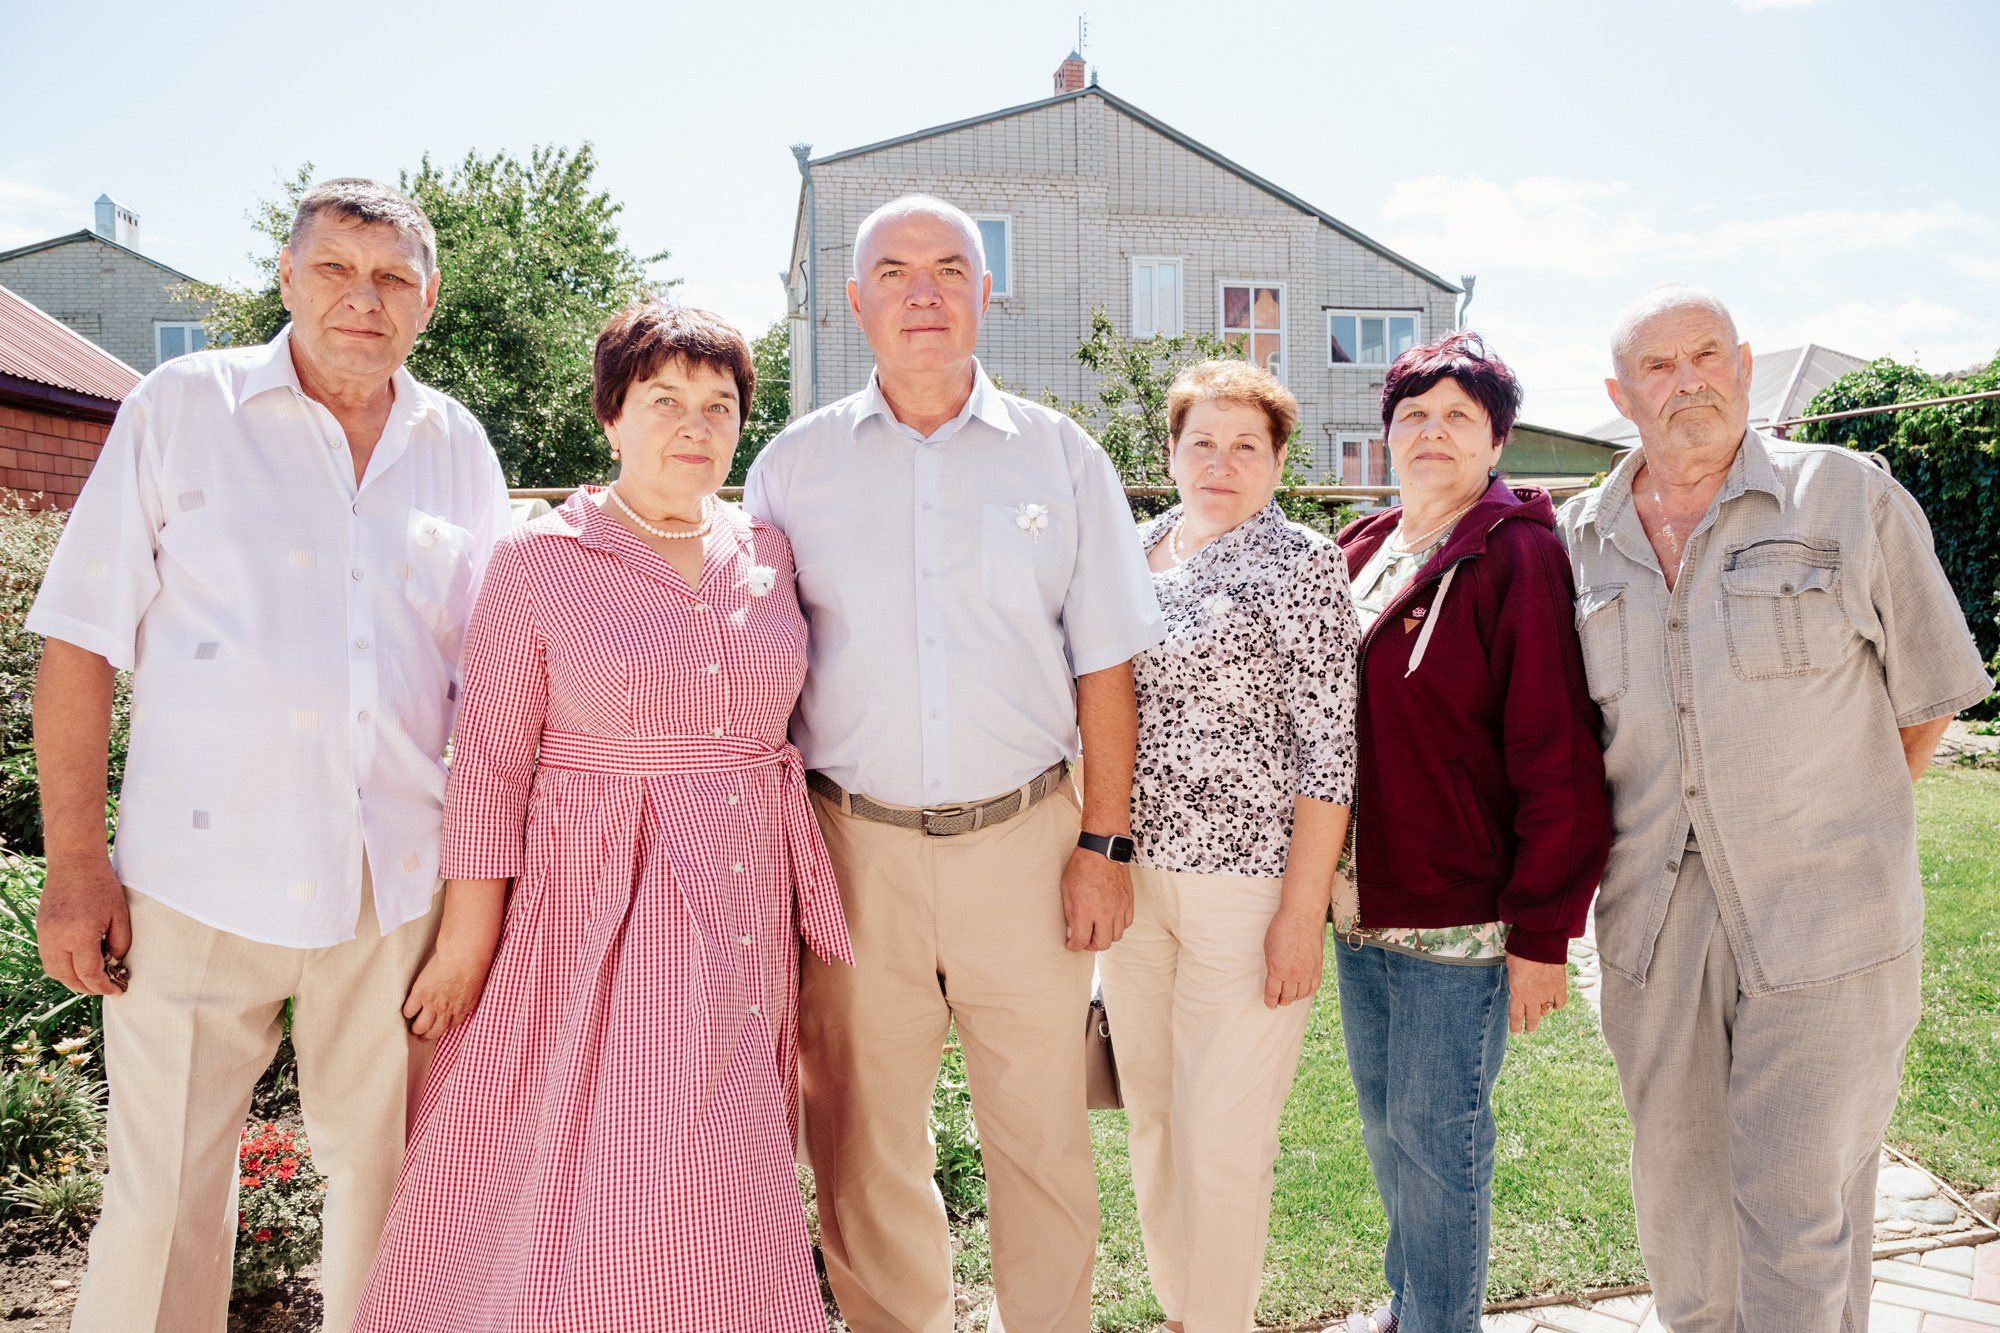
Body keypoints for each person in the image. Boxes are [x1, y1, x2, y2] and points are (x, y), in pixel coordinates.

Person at [26, 178, 512, 1332]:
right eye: (335, 269)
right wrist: (75, 863)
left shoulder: (456, 445)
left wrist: (476, 905)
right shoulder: (180, 406)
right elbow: (80, 642)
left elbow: (500, 686)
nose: (363, 298)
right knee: (160, 1203)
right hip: (193, 888)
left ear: (429, 297)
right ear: (287, 278)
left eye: (392, 277)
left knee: (390, 1194)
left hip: (393, 893)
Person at [354, 303, 851, 1331]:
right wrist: (467, 941)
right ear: (611, 416)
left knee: (725, 1156)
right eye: (664, 400)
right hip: (601, 898)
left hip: (745, 899)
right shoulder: (540, 559)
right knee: (614, 1151)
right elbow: (491, 766)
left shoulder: (768, 551)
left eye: (718, 405)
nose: (694, 426)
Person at [744, 195, 1162, 1333]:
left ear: (986, 291)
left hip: (1027, 846)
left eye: (946, 269)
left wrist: (1103, 843)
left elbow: (1106, 665)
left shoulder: (1061, 457)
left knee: (1041, 1141)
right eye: (893, 271)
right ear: (853, 302)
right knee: (862, 1145)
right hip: (850, 853)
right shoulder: (791, 469)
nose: (921, 293)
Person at [1556, 286, 1992, 1333]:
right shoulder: (1577, 538)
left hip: (1828, 918)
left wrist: (1838, 816)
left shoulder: (1844, 494)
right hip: (1654, 928)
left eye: (1706, 354)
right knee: (1680, 1215)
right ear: (1619, 395)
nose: (1687, 382)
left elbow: (1930, 690)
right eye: (1657, 367)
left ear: (1744, 367)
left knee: (1798, 1214)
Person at [1331, 331, 1612, 1333]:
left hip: (1461, 913)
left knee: (1436, 1136)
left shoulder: (1516, 555)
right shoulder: (1362, 549)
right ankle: (1413, 1302)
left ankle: (1440, 1322)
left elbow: (1555, 751)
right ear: (1387, 437)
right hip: (1361, 900)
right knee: (1385, 1125)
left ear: (1497, 441)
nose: (1432, 432)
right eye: (1414, 415)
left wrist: (1542, 933)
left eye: (1459, 416)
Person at [1097, 360, 1357, 1333]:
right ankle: (1183, 1310)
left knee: (1223, 1134)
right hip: (1136, 885)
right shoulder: (1131, 551)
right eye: (1201, 441)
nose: (1221, 462)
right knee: (1156, 1119)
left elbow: (1330, 752)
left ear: (1278, 461)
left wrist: (1300, 912)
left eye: (1246, 445)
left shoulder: (1302, 564)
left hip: (1247, 890)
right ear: (1169, 452)